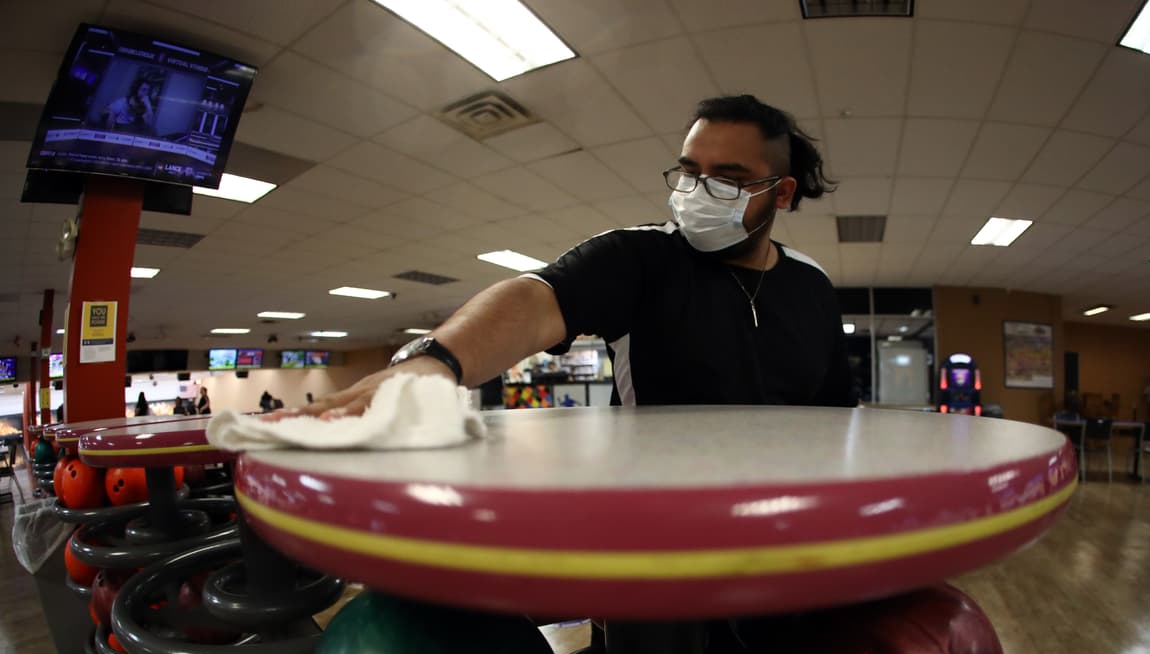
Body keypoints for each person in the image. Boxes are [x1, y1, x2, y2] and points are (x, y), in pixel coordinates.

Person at [272, 95, 849, 420]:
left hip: (786, 526)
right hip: (663, 520)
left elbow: (836, 413)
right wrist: (435, 362)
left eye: (727, 179)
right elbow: (536, 299)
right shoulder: (642, 257)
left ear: (781, 194)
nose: (697, 192)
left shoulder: (812, 284)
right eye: (689, 171)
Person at [103, 69, 161, 134]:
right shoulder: (123, 101)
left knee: (152, 131)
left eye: (147, 90)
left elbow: (149, 122)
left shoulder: (144, 104)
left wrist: (148, 105)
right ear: (136, 89)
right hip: (122, 128)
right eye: (143, 90)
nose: (145, 93)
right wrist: (109, 132)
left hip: (135, 130)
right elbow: (109, 114)